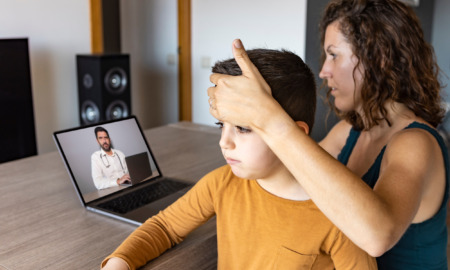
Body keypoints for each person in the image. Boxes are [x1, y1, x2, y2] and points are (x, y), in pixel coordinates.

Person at [208, 0, 449, 269]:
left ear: (378, 58)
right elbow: (294, 174)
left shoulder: (416, 142)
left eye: (333, 54)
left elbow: (377, 236)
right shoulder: (349, 131)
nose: (323, 71)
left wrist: (269, 117)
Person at [101, 49, 377, 270]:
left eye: (243, 128)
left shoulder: (338, 215)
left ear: (294, 134)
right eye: (222, 125)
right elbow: (164, 227)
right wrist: (119, 262)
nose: (224, 141)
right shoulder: (221, 184)